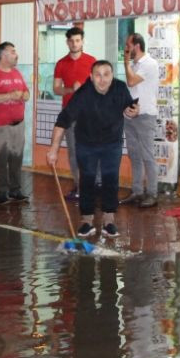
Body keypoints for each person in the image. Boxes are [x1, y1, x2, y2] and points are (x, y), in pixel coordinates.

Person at [45, 60, 139, 239]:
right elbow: (63, 120)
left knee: (110, 179)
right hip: (86, 143)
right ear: (91, 77)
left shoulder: (119, 88)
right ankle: (86, 221)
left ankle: (109, 220)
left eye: (106, 74)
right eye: (98, 75)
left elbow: (129, 108)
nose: (102, 79)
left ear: (112, 76)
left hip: (112, 142)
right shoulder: (83, 94)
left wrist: (133, 111)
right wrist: (54, 148)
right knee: (86, 180)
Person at [0, 42, 30, 205]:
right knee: (1, 160)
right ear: (3, 56)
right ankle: (1, 193)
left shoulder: (17, 73)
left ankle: (15, 190)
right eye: (12, 52)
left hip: (18, 125)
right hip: (0, 127)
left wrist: (24, 95)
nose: (16, 54)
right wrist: (9, 95)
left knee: (17, 159)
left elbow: (27, 93)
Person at [53, 25, 96, 200]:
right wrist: (71, 89)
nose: (74, 43)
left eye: (77, 40)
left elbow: (100, 85)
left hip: (89, 113)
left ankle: (92, 186)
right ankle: (79, 186)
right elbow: (56, 89)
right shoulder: (61, 63)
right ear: (67, 42)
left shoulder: (92, 61)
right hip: (70, 114)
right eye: (71, 41)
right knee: (74, 151)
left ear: (82, 41)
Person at [121, 33, 160, 207]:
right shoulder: (135, 65)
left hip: (145, 117)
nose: (126, 48)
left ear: (136, 45)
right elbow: (132, 90)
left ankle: (152, 193)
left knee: (147, 156)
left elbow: (131, 82)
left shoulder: (149, 64)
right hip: (130, 117)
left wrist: (126, 61)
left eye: (128, 45)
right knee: (134, 154)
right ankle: (137, 191)